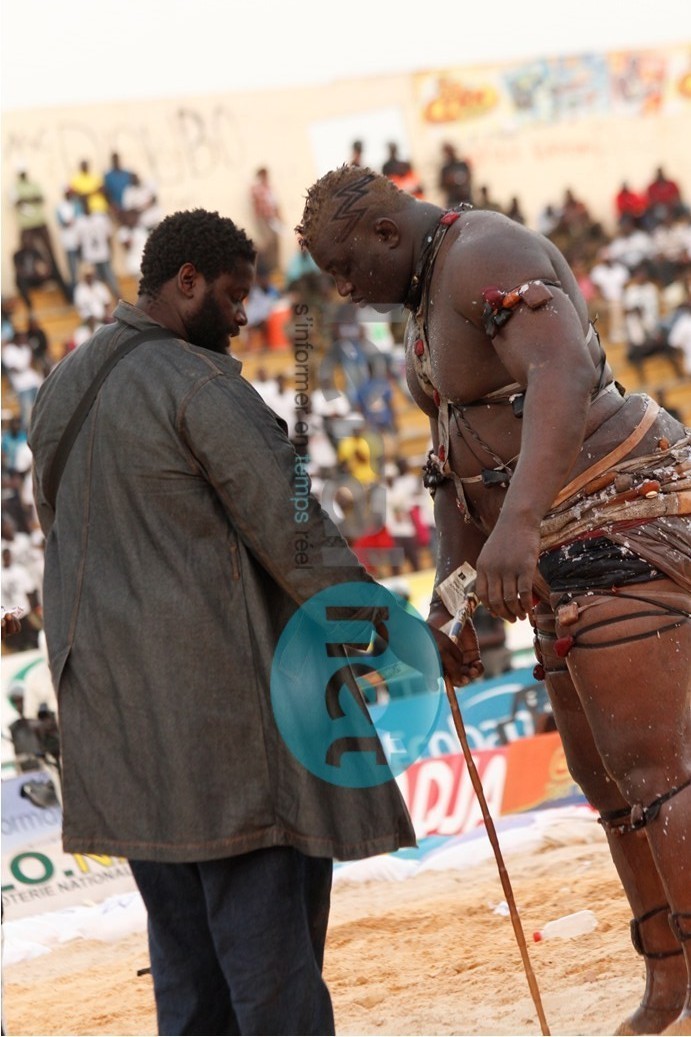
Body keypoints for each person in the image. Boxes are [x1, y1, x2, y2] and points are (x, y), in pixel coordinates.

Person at [28, 207, 471, 1037]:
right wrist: (410, 640)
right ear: (185, 281)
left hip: (123, 737)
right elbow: (296, 530)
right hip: (222, 735)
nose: (244, 316)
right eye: (233, 296)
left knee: (188, 979)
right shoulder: (202, 383)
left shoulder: (60, 386)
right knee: (271, 977)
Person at [298, 165, 691, 1037]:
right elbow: (449, 471)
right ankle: (668, 981)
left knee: (653, 774)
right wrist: (455, 598)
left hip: (620, 509)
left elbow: (564, 373)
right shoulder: (423, 302)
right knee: (605, 782)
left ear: (386, 237)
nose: (342, 290)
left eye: (345, 268)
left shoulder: (486, 253)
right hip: (548, 540)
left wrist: (513, 530)